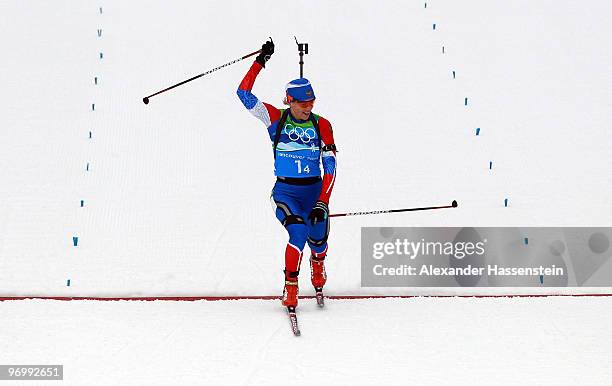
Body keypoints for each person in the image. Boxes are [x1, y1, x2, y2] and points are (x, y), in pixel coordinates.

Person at [237, 39, 337, 309]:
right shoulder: (275, 119)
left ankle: (318, 264)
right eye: (303, 103)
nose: (308, 107)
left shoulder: (322, 125)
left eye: (312, 102)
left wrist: (322, 202)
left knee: (318, 239)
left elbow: (330, 167)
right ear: (289, 101)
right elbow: (243, 94)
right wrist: (260, 61)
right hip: (285, 192)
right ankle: (291, 287)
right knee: (298, 233)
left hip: (314, 192)